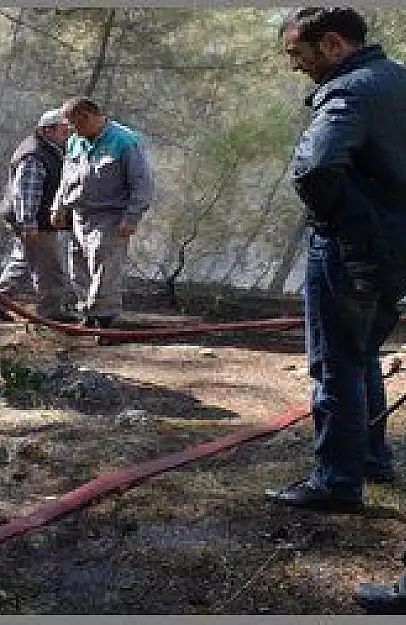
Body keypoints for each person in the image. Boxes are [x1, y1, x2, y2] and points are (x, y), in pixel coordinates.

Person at [260, 7, 406, 613]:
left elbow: (317, 167)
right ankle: (372, 457)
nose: (295, 64)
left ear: (333, 42)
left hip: (350, 252)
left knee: (334, 365)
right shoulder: (398, 79)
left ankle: (336, 481)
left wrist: (341, 227)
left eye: (299, 53)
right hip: (394, 249)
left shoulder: (347, 91)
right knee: (363, 353)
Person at [48, 96, 154, 329]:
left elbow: (142, 183)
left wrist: (132, 217)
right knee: (78, 268)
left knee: (104, 269)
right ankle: (87, 313)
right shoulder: (76, 141)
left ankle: (104, 319)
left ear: (87, 117)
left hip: (111, 216)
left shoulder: (125, 141)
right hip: (79, 215)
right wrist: (59, 207)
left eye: (74, 124)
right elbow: (67, 177)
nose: (71, 131)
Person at [0, 108, 74, 323]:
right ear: (47, 130)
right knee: (50, 269)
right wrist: (29, 223)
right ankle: (50, 313)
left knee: (22, 260)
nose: (68, 135)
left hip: (33, 220)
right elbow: (26, 192)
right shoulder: (34, 155)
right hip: (36, 221)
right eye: (64, 130)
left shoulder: (46, 150)